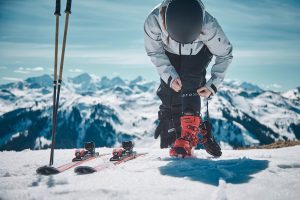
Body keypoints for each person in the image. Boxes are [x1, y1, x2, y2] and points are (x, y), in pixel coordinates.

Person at [144, 0, 233, 157]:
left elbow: (224, 54)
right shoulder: (153, 22)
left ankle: (188, 136)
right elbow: (155, 52)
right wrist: (170, 77)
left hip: (199, 51)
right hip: (168, 51)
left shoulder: (209, 26)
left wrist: (213, 84)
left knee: (190, 83)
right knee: (170, 92)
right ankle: (171, 137)